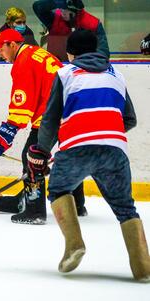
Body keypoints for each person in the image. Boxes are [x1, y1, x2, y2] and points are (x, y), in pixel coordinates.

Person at [26, 29, 149, 282]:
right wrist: (104, 132)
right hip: (115, 148)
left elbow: (49, 120)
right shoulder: (117, 74)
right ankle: (143, 267)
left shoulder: (65, 73)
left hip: (76, 148)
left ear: (70, 53)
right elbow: (130, 119)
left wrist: (42, 151)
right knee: (126, 208)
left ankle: (74, 245)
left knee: (59, 190)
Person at [0, 28, 85, 225]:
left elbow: (23, 102)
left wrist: (8, 131)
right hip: (71, 113)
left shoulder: (23, 62)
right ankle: (78, 204)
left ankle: (34, 211)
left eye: (1, 48)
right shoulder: (37, 53)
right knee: (68, 155)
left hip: (52, 115)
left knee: (31, 157)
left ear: (12, 45)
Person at [33, 0, 109, 61]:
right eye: (61, 8)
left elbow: (103, 53)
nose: (62, 12)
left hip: (84, 69)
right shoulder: (55, 19)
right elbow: (37, 7)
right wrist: (57, 2)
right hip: (57, 67)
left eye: (65, 9)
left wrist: (88, 65)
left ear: (75, 10)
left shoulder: (93, 24)